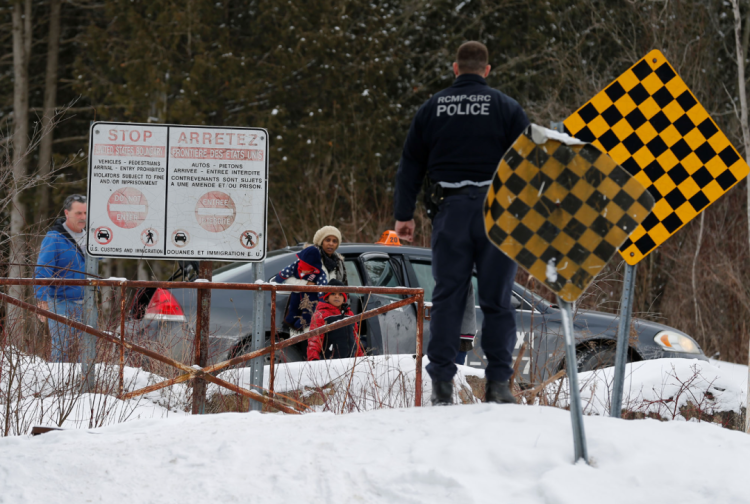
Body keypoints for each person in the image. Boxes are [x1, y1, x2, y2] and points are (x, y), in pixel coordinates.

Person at [393, 41, 529, 405]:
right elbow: (529, 162)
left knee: (448, 297)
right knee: (498, 301)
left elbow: (410, 165)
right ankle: (499, 385)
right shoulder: (506, 107)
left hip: (450, 212)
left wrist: (403, 216)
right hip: (497, 214)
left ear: (455, 68)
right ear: (487, 70)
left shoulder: (431, 108)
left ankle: (441, 386)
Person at [34, 194, 88, 362]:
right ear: (67, 213)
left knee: (87, 352)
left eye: (86, 213)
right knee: (62, 350)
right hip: (61, 302)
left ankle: (85, 388)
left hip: (88, 303)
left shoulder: (93, 238)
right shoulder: (54, 238)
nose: (83, 217)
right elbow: (43, 270)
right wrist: (42, 300)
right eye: (78, 213)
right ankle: (58, 387)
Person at [275, 246, 328, 336]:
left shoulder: (319, 274)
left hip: (310, 297)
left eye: (306, 267)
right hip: (296, 294)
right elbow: (281, 275)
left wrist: (322, 302)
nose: (303, 269)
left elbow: (322, 288)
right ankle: (291, 319)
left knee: (308, 310)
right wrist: (304, 283)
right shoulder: (295, 266)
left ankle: (304, 322)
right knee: (293, 308)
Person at [307, 279, 365, 361]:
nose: (337, 296)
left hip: (350, 360)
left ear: (344, 298)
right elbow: (315, 339)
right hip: (330, 361)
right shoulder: (321, 315)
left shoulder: (349, 314)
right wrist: (313, 359)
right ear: (327, 298)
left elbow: (355, 338)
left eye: (340, 294)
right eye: (333, 294)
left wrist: (360, 357)